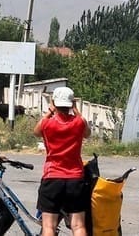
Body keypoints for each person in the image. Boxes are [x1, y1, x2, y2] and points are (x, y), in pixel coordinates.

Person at [34, 86, 91, 235]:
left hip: (52, 176)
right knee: (78, 226)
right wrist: (76, 110)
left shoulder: (47, 124)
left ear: (54, 103)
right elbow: (87, 133)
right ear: (72, 104)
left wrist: (50, 111)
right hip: (75, 177)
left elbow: (36, 131)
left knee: (49, 226)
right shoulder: (79, 123)